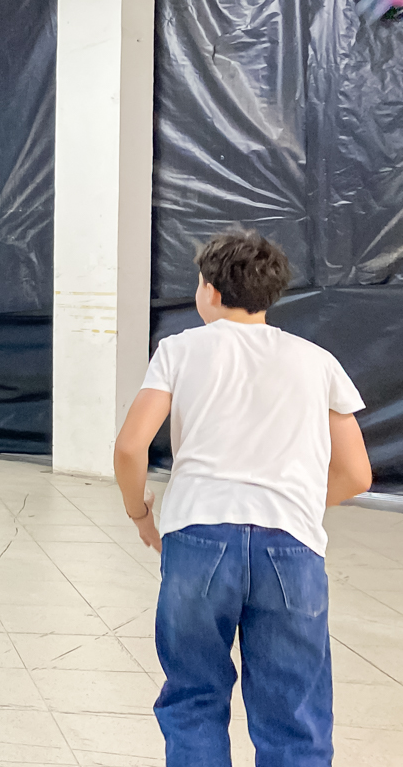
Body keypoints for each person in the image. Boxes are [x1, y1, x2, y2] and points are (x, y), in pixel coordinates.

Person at [113, 230, 372, 766]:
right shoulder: (317, 361)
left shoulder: (179, 350)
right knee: (294, 714)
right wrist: (298, 503)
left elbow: (130, 447)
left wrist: (140, 514)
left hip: (197, 537)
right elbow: (356, 474)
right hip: (291, 548)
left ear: (209, 289)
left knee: (194, 697)